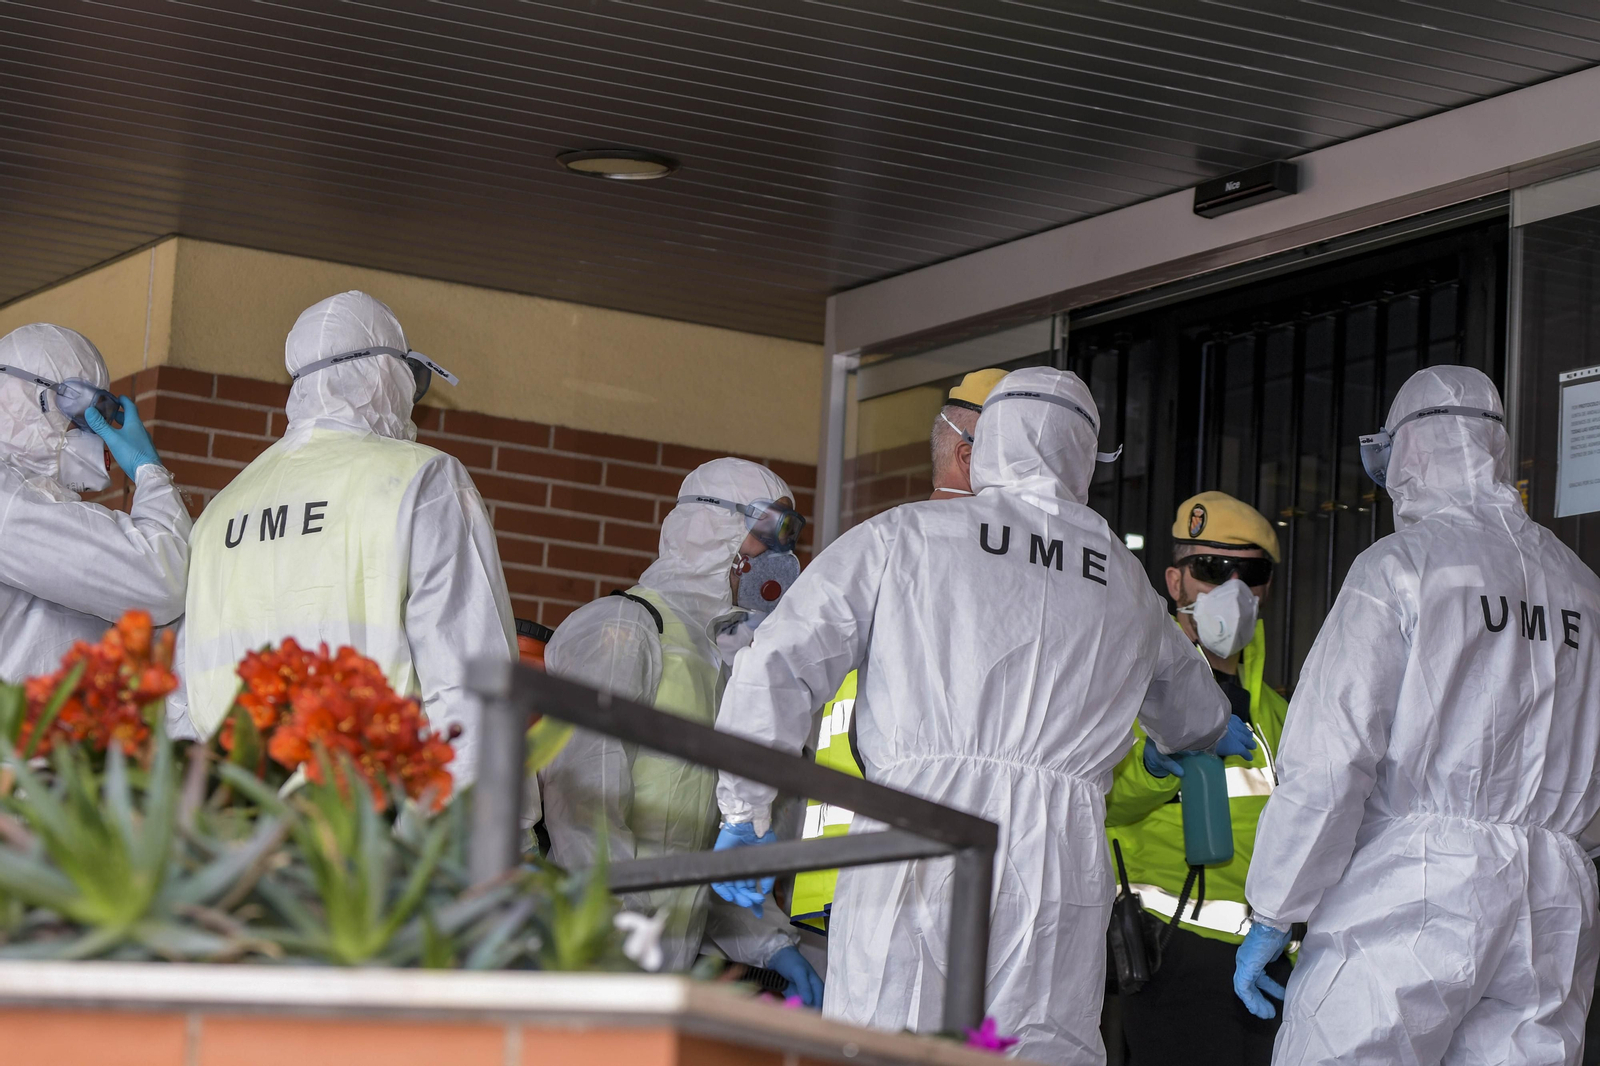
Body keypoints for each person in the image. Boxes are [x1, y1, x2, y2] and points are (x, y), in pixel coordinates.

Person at [710, 366, 1252, 1062]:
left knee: (889, 1037)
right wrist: (1208, 734)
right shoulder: (1125, 578)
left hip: (919, 832)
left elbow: (778, 663)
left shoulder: (905, 537)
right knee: (1038, 1045)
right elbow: (1196, 716)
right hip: (1059, 860)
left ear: (987, 442)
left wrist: (743, 811)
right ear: (1085, 458)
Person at [1236, 365, 1600, 1064]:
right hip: (1554, 896)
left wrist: (1276, 907)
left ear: (1411, 450)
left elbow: (1332, 758)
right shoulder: (1581, 586)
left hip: (1417, 886)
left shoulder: (1400, 568)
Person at [179, 291, 515, 779]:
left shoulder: (220, 511)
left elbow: (183, 691)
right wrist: (495, 827)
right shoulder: (421, 479)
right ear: (385, 375)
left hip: (241, 813)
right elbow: (472, 677)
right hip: (371, 816)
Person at [539, 457, 823, 1005]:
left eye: (790, 535)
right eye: (769, 530)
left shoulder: (722, 665)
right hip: (590, 960)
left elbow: (709, 842)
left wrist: (768, 943)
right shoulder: (625, 627)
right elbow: (581, 805)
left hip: (667, 970)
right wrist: (617, 933)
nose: (781, 556)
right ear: (711, 528)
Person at [791, 366, 1009, 932]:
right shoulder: (940, 562)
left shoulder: (883, 548)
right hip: (889, 875)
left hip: (851, 878)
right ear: (969, 458)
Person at [1104, 491, 1289, 1065]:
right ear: (1175, 583)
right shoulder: (1125, 690)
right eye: (1211, 569)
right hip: (1165, 955)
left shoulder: (1283, 716)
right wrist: (1153, 766)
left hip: (1266, 964)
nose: (1232, 588)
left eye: (1249, 571)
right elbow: (1095, 801)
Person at [0, 323, 190, 684]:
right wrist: (150, 474)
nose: (96, 431)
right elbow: (160, 579)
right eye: (89, 409)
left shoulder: (26, 496)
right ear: (32, 401)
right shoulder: (8, 503)